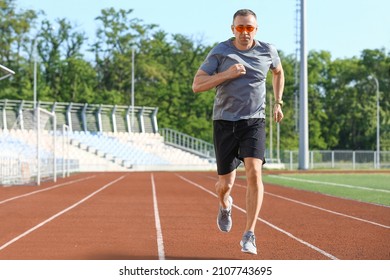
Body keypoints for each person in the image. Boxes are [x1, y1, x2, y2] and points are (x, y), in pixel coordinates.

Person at [192, 9, 284, 255]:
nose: (245, 32)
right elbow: (197, 85)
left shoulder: (267, 51)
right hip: (224, 122)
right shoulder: (221, 52)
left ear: (256, 29)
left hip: (254, 121)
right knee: (226, 184)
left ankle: (249, 234)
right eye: (240, 28)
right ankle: (224, 204)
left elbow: (278, 71)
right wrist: (227, 74)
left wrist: (278, 102)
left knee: (254, 173)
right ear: (232, 29)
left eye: (249, 28)